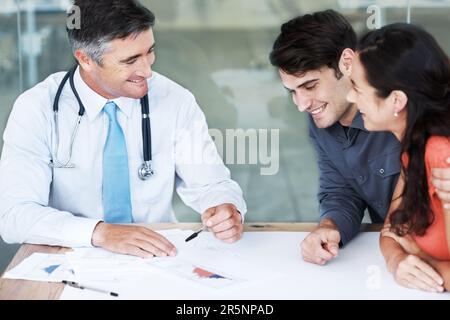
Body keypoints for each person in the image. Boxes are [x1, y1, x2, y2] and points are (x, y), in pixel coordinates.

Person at [0, 0, 246, 258]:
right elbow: (14, 215)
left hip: (158, 254)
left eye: (150, 51)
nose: (148, 71)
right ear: (85, 59)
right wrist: (100, 232)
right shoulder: (37, 108)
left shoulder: (175, 100)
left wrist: (225, 207)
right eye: (130, 60)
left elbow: (211, 184)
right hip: (71, 255)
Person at [269, 10, 450, 268]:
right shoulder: (322, 119)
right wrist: (330, 227)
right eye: (292, 93)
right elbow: (344, 193)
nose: (302, 105)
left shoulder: (421, 133)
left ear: (346, 62)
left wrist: (426, 263)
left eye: (310, 86)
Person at [348, 23, 450, 292]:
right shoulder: (414, 147)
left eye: (357, 88)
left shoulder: (441, 154)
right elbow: (391, 232)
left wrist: (421, 256)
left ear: (396, 101)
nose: (350, 97)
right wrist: (398, 260)